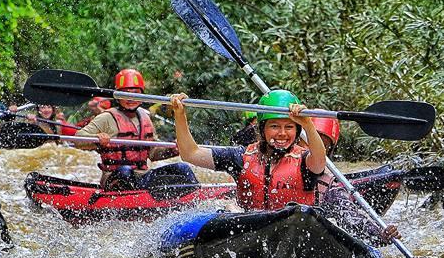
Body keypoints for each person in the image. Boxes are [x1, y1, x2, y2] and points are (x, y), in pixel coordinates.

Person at [170, 89, 326, 211]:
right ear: (262, 129)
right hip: (253, 229)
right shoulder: (241, 157)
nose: (282, 133)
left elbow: (320, 162)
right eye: (274, 126)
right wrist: (179, 114)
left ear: (298, 131)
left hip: (293, 230)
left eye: (289, 127)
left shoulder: (305, 161)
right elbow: (191, 154)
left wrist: (307, 124)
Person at [75, 68, 197, 190]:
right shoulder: (106, 117)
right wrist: (96, 138)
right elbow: (77, 139)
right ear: (118, 95)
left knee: (182, 168)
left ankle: (195, 197)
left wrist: (175, 148)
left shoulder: (145, 117)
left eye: (135, 93)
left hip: (142, 178)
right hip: (115, 178)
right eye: (126, 93)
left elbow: (153, 153)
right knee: (126, 171)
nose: (130, 98)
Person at [304, 117, 401, 245]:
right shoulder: (273, 163)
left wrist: (381, 235)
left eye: (322, 147)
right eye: (309, 142)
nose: (314, 151)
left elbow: (350, 217)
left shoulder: (329, 185)